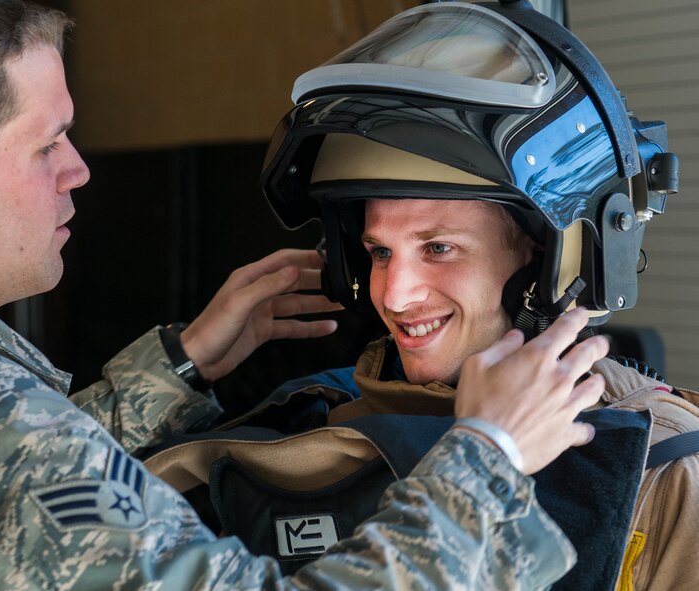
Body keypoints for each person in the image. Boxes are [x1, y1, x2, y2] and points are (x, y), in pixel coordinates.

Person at [0, 1, 610, 589]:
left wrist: (182, 364)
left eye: (439, 247)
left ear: (536, 254)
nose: (79, 169)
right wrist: (488, 456)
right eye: (47, 143)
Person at [141, 2, 699, 590]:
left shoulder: (658, 469)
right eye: (379, 252)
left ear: (546, 256)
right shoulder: (303, 423)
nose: (396, 296)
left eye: (438, 248)